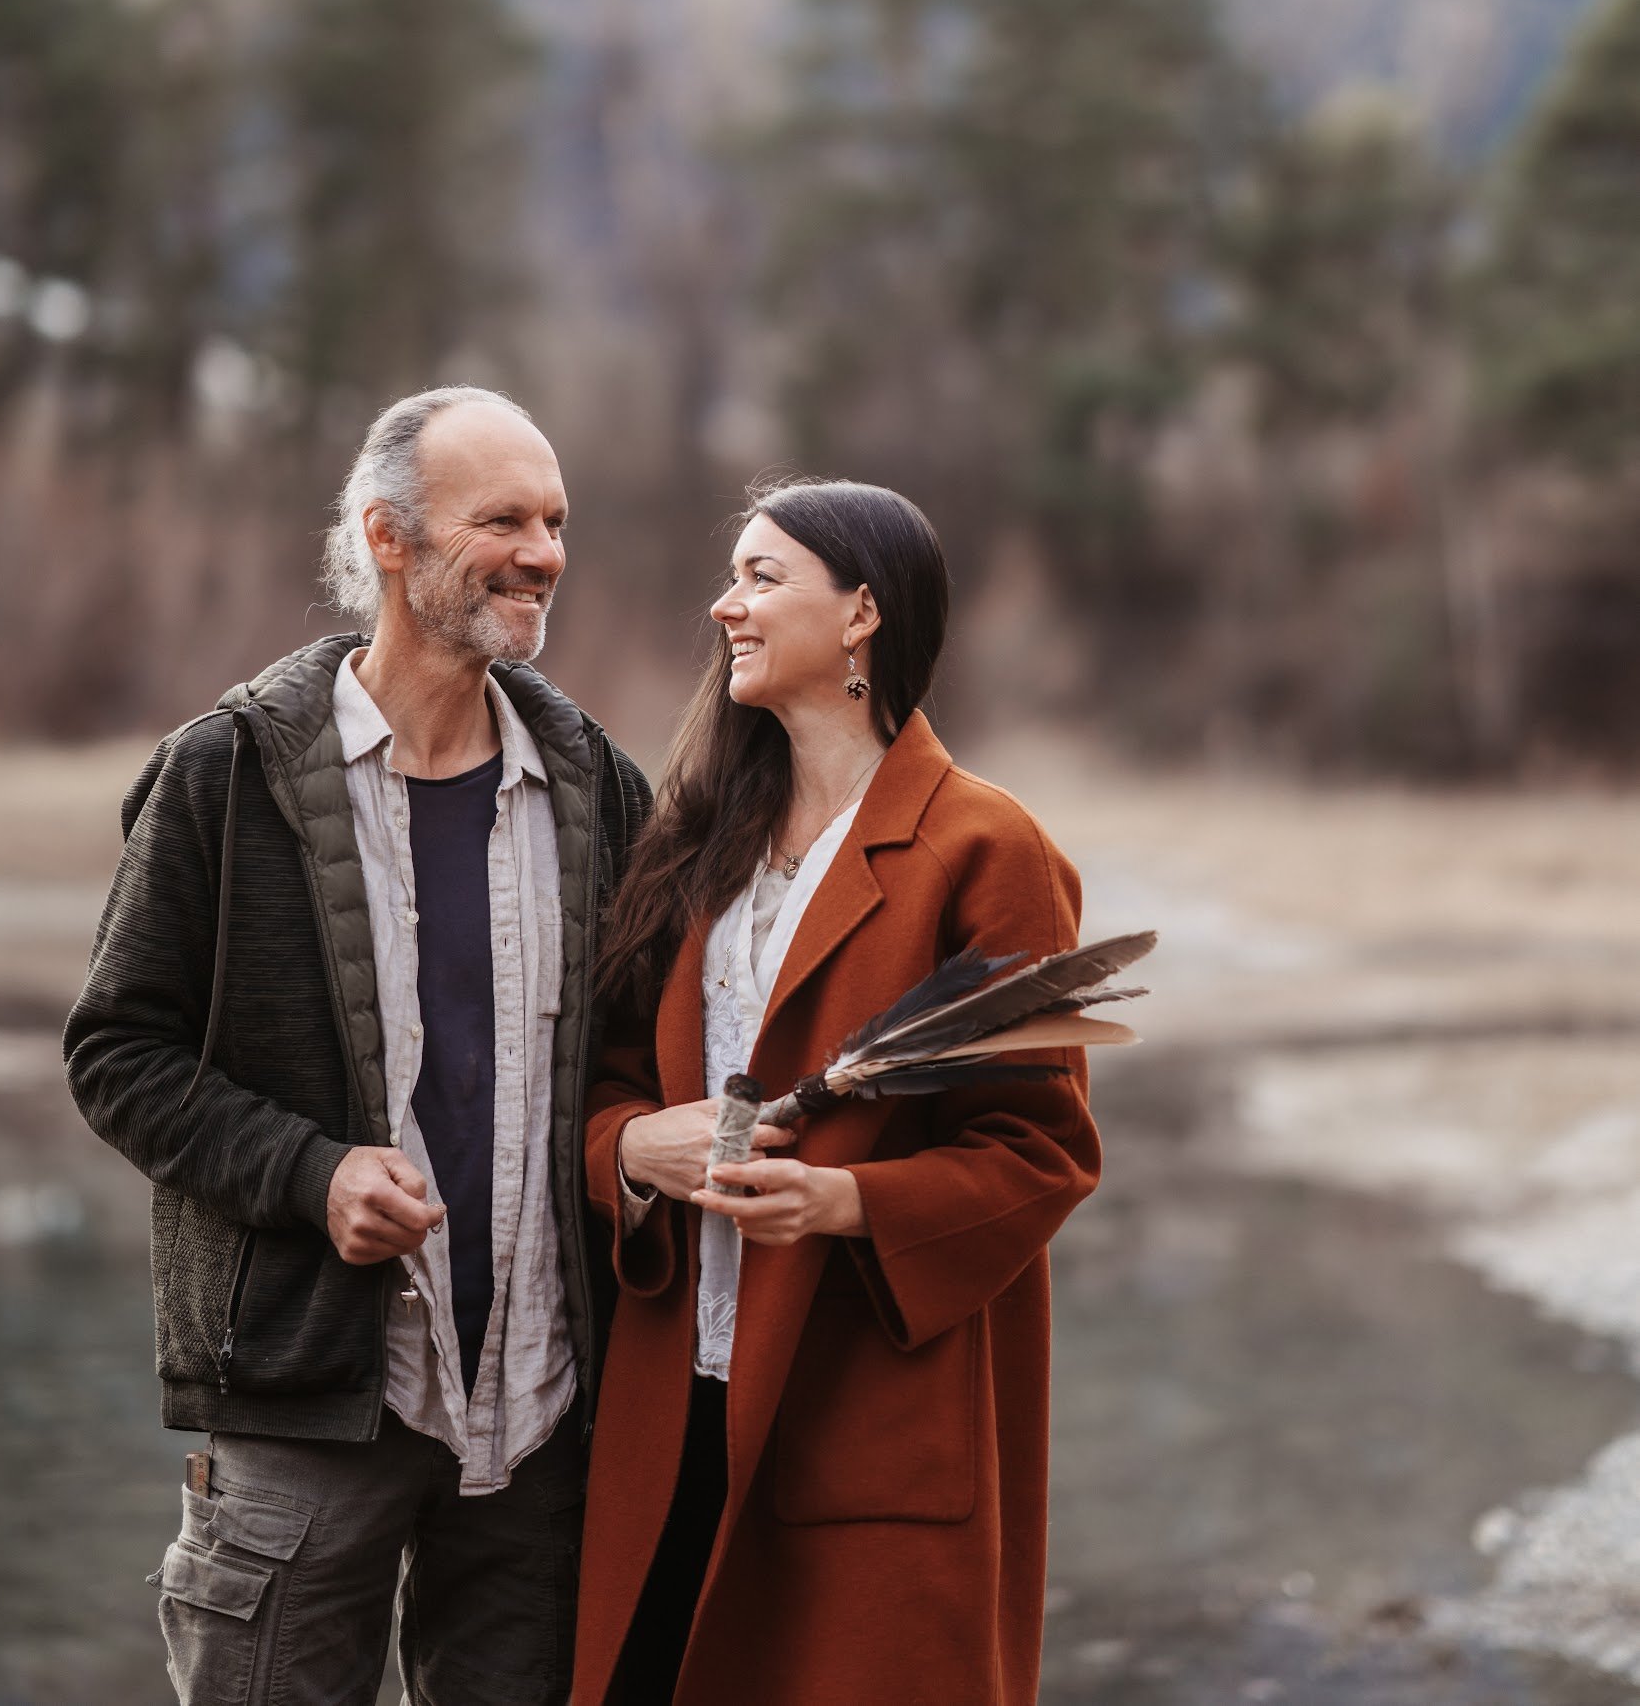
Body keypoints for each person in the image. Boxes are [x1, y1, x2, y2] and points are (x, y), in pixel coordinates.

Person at [64, 385, 651, 1706]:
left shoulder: (598, 786)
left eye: (555, 520)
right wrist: (312, 1173)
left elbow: (641, 1058)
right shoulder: (225, 770)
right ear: (387, 539)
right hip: (303, 1400)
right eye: (500, 519)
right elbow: (117, 1054)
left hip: (544, 1413)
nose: (544, 551)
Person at [572, 478, 1102, 1706]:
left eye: (763, 577)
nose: (726, 605)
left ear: (862, 612)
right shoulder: (695, 836)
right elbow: (607, 1083)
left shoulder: (987, 846)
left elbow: (1041, 1151)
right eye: (733, 577)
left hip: (861, 1412)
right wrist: (631, 1149)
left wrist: (840, 1201)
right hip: (669, 1403)